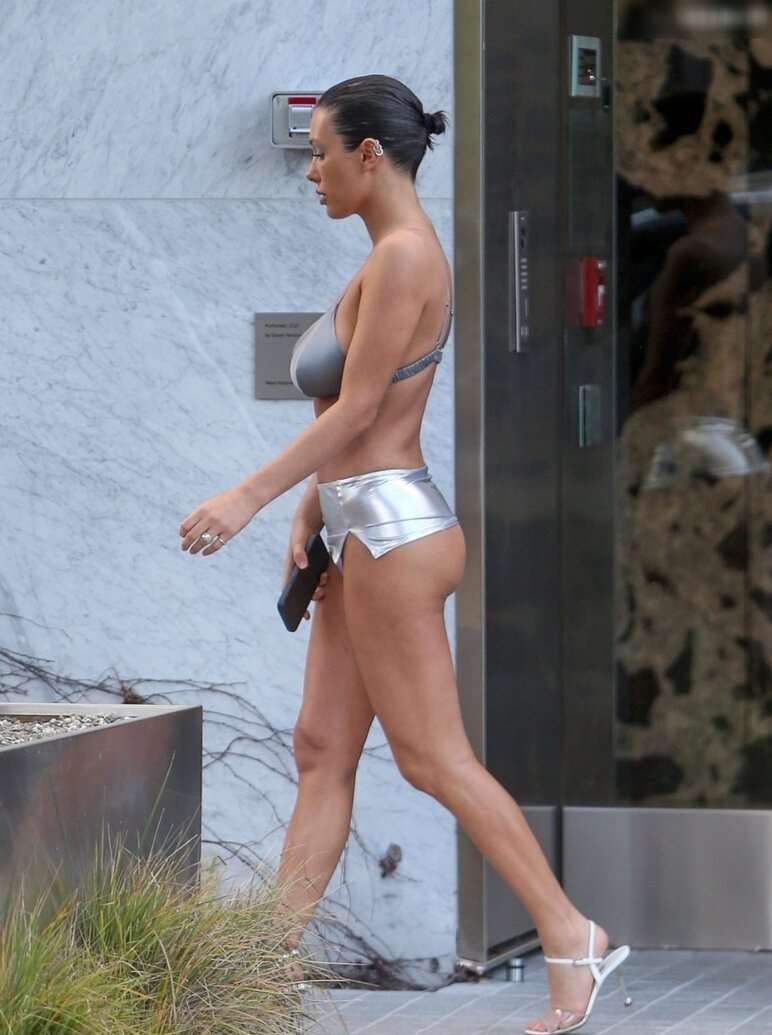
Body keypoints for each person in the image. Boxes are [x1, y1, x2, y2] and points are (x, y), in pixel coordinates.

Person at [178, 73, 631, 1035]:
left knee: (432, 758)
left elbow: (357, 410)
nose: (312, 171)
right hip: (359, 526)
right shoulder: (386, 254)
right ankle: (260, 976)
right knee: (320, 749)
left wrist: (249, 496)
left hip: (392, 533)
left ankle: (571, 934)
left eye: (321, 153)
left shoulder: (406, 257)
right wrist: (313, 506)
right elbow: (362, 413)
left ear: (370, 155)